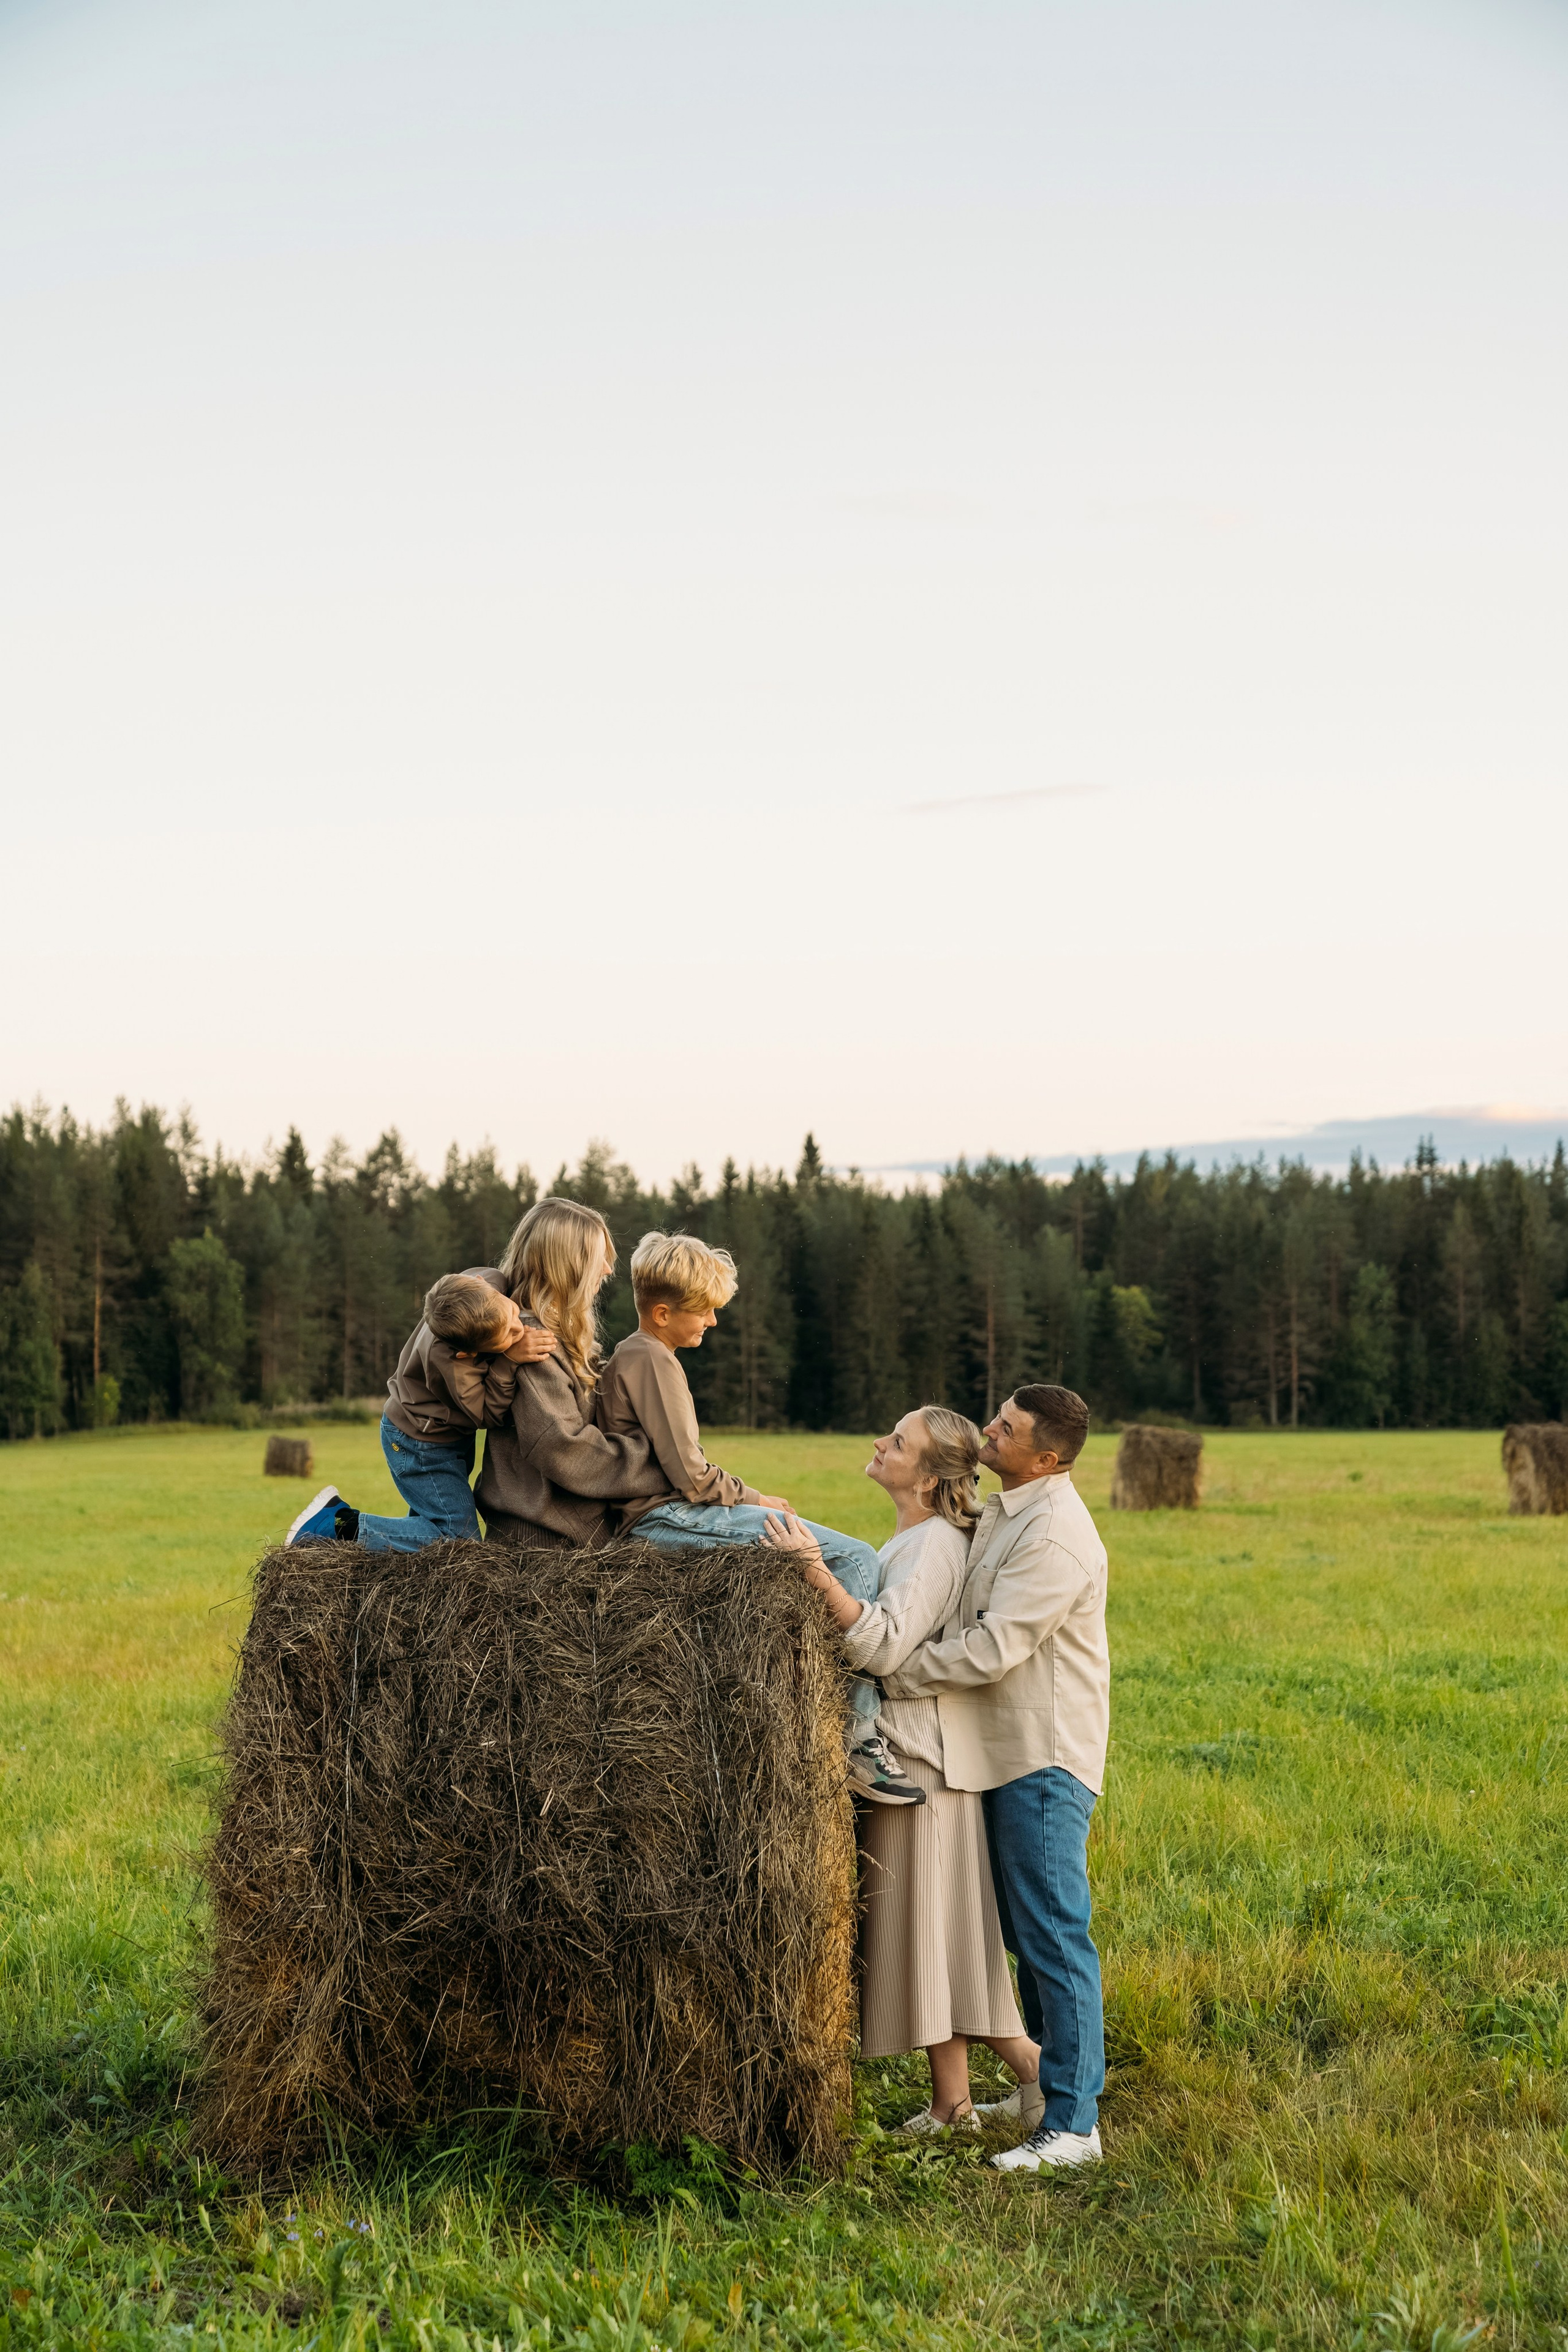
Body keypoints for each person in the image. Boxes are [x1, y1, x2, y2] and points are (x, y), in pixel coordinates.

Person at [813, 1384, 1109, 2175]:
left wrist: (894, 1680)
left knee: (1053, 1937)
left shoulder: (1054, 1539)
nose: (991, 1431)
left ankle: (1074, 2124)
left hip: (1040, 1755)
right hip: (995, 1748)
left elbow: (988, 1651)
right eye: (995, 1418)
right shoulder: (1007, 1515)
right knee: (1023, 1934)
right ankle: (1032, 2088)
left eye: (1008, 1430)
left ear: (1047, 1459)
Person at [765, 1406, 1044, 2132]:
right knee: (932, 1935)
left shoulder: (931, 1548)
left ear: (926, 1477)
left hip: (916, 1767)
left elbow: (883, 1647)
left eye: (896, 1442)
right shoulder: (916, 1538)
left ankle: (1041, 2074)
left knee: (943, 1938)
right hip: (912, 1763)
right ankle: (952, 2104)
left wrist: (815, 1577)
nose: (879, 1445)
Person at [598, 1231, 923, 1806]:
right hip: (661, 1518)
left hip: (664, 1509)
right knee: (852, 1557)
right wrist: (757, 1498)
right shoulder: (650, 1359)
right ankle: (858, 1739)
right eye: (706, 1311)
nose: (714, 1323)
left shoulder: (642, 1354)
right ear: (664, 1311)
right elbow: (693, 1477)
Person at [285, 1270, 556, 1550]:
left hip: (443, 1438)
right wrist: (508, 1361)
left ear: (481, 1284)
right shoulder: (453, 1366)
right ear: (468, 1354)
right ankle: (337, 1526)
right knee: (458, 1540)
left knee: (433, 1529)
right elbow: (489, 1414)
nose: (519, 1329)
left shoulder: (482, 1285)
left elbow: (505, 1277)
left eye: (512, 1312)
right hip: (420, 1446)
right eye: (508, 1335)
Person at [472, 1198, 677, 1550]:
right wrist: (666, 1466)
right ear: (567, 1264)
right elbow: (565, 1448)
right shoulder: (535, 1342)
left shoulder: (560, 1335)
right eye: (599, 1257)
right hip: (544, 1546)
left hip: (567, 1539)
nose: (609, 1269)